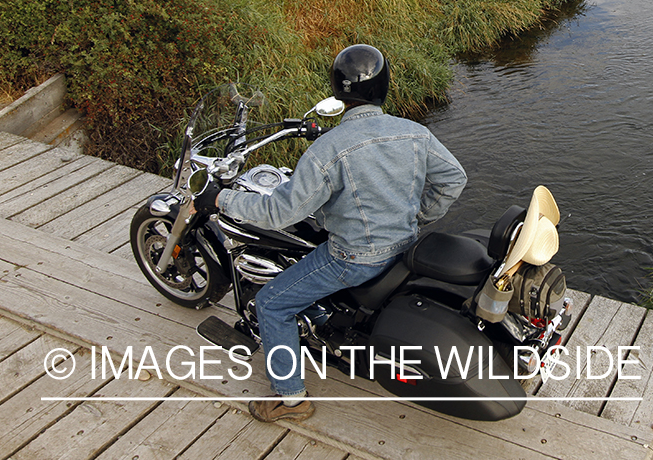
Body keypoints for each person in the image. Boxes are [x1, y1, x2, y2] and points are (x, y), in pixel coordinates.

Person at [195, 44, 467, 423]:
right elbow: (454, 178)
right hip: (406, 245)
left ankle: (290, 399)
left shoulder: (327, 150)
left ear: (339, 93)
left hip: (353, 258)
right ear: (384, 87)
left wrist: (221, 200)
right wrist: (419, 216)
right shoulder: (414, 133)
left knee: (273, 304)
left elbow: (278, 212)